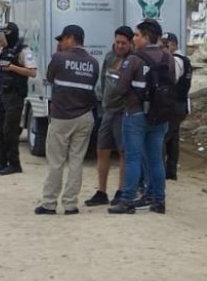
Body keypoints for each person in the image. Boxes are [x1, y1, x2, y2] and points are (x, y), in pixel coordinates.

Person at [109, 18, 175, 215]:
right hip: (160, 115)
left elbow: (120, 88)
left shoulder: (134, 59)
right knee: (156, 159)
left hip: (135, 113)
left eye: (137, 35)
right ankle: (158, 200)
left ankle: (127, 199)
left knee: (133, 158)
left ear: (146, 37)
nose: (134, 39)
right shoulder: (168, 58)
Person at [36, 25, 101, 216]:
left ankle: (49, 203)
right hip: (85, 117)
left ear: (71, 38)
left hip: (62, 117)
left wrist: (57, 54)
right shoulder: (94, 62)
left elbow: (49, 77)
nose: (60, 43)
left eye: (62, 39)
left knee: (56, 162)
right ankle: (71, 204)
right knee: (76, 161)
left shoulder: (59, 58)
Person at [85, 26, 134, 207]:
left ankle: (121, 190)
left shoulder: (133, 60)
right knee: (102, 150)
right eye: (117, 42)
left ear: (130, 43)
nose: (120, 46)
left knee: (123, 153)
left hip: (124, 112)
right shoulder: (109, 57)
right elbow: (104, 82)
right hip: (108, 111)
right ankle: (101, 191)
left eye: (124, 43)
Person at [0, 22, 37, 176]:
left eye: (3, 34)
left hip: (15, 96)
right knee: (1, 130)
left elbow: (32, 72)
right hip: (3, 95)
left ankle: (14, 164)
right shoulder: (4, 50)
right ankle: (2, 163)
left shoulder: (23, 50)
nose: (1, 37)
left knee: (10, 131)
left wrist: (13, 68)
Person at [163, 32, 192, 181]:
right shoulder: (185, 60)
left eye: (165, 44)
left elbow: (171, 79)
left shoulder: (176, 61)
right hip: (180, 105)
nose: (163, 47)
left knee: (163, 137)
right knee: (173, 139)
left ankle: (162, 170)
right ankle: (171, 171)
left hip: (174, 105)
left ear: (173, 45)